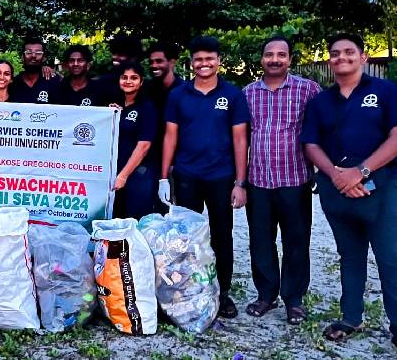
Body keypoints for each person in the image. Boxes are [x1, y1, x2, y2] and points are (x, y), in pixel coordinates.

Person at [301, 33, 397, 347]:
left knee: (390, 257)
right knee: (350, 255)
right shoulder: (320, 101)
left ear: (363, 57)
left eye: (349, 52)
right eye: (335, 53)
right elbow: (311, 144)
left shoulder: (385, 91)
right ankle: (350, 317)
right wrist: (337, 176)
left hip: (381, 186)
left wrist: (362, 171)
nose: (341, 57)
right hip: (335, 188)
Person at [159, 35, 250, 319]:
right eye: (198, 59)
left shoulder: (233, 95)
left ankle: (222, 293)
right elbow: (170, 136)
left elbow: (240, 140)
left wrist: (240, 182)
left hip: (221, 177)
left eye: (210, 59)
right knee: (185, 238)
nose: (204, 64)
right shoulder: (179, 95)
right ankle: (184, 290)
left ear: (219, 62)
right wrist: (164, 177)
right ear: (192, 62)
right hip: (187, 175)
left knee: (222, 236)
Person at [243, 35, 321, 325]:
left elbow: (320, 129)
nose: (275, 60)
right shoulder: (248, 93)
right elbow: (241, 136)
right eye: (269, 55)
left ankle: (294, 299)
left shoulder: (308, 89)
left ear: (290, 59)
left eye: (281, 55)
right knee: (261, 240)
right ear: (261, 59)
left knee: (297, 241)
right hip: (258, 180)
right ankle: (266, 295)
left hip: (295, 178)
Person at [109, 61, 158, 220]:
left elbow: (143, 146)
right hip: (116, 173)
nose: (128, 81)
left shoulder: (147, 107)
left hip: (138, 176)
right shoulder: (116, 106)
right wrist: (109, 115)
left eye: (134, 78)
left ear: (141, 81)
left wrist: (123, 175)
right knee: (116, 220)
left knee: (135, 222)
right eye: (124, 77)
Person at [143, 41, 185, 214]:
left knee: (174, 212)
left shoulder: (184, 91)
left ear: (172, 62)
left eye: (159, 61)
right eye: (151, 61)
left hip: (177, 164)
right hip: (148, 160)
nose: (154, 65)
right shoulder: (145, 88)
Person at [9, 35, 61, 104]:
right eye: (28, 53)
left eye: (38, 53)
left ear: (44, 57)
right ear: (22, 57)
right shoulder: (13, 84)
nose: (33, 56)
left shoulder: (55, 82)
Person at [97, 35, 143, 106]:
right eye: (114, 53)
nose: (115, 57)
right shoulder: (104, 82)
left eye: (121, 54)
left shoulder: (145, 86)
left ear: (133, 58)